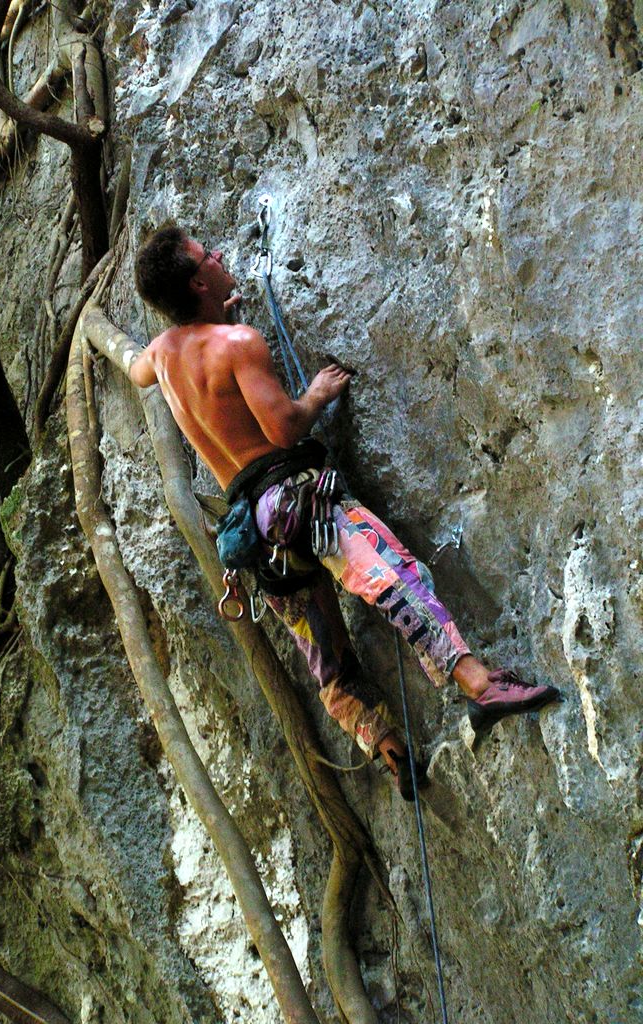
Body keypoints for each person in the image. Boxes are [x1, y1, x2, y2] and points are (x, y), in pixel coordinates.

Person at [129, 225, 560, 799]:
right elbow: (283, 428)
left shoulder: (161, 357)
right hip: (300, 502)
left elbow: (137, 366)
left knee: (323, 650)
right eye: (207, 254)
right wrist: (319, 391)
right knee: (393, 577)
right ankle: (479, 684)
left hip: (255, 538)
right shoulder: (237, 344)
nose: (219, 253)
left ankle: (386, 745)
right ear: (200, 279)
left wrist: (205, 317)